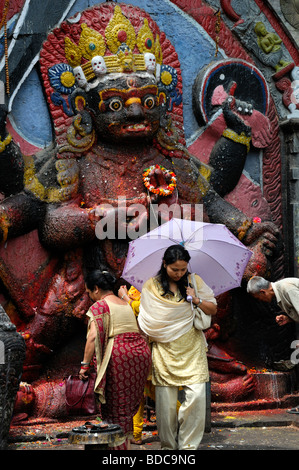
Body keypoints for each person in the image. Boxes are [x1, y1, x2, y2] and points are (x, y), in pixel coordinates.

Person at [137, 245, 217, 450]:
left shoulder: (194, 281)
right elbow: (146, 321)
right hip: (164, 350)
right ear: (164, 264)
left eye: (183, 269)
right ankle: (168, 448)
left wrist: (196, 299)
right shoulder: (151, 286)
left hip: (192, 348)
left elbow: (212, 308)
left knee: (197, 398)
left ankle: (188, 448)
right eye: (175, 269)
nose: (179, 273)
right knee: (165, 407)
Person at [79, 269, 152, 449]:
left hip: (120, 356)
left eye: (89, 292)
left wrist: (84, 366)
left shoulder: (99, 307)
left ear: (96, 289)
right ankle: (123, 444)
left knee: (114, 409)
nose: (90, 296)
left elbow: (92, 337)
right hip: (140, 355)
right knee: (126, 409)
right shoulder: (125, 304)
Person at [247, 275, 299, 414]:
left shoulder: (287, 288)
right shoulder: (280, 292)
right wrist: (289, 318)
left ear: (263, 292)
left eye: (258, 298)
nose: (260, 301)